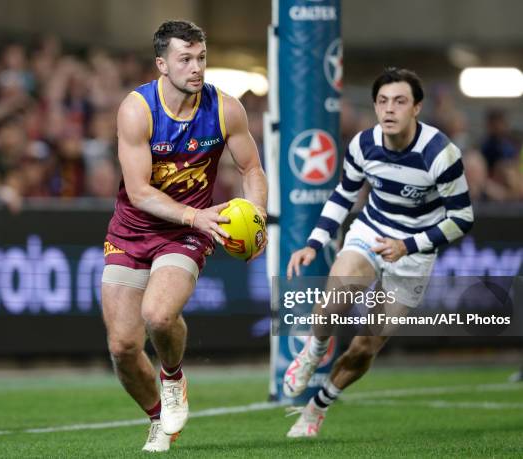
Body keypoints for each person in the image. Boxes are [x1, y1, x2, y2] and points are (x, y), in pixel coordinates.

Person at [101, 20, 267, 452]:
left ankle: (173, 378)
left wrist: (258, 216)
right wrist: (195, 216)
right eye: (185, 59)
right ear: (162, 64)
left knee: (158, 315)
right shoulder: (137, 109)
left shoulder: (226, 108)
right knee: (121, 346)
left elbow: (251, 170)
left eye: (201, 58)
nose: (196, 68)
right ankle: (160, 419)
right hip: (133, 228)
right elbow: (138, 192)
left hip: (186, 232)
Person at [283, 68, 474, 438]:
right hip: (372, 230)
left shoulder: (440, 154)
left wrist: (408, 245)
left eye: (400, 101)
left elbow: (463, 218)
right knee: (337, 296)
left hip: (414, 250)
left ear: (417, 108)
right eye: (382, 102)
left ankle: (316, 408)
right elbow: (344, 195)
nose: (389, 110)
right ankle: (313, 352)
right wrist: (314, 242)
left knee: (365, 345)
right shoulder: (363, 144)